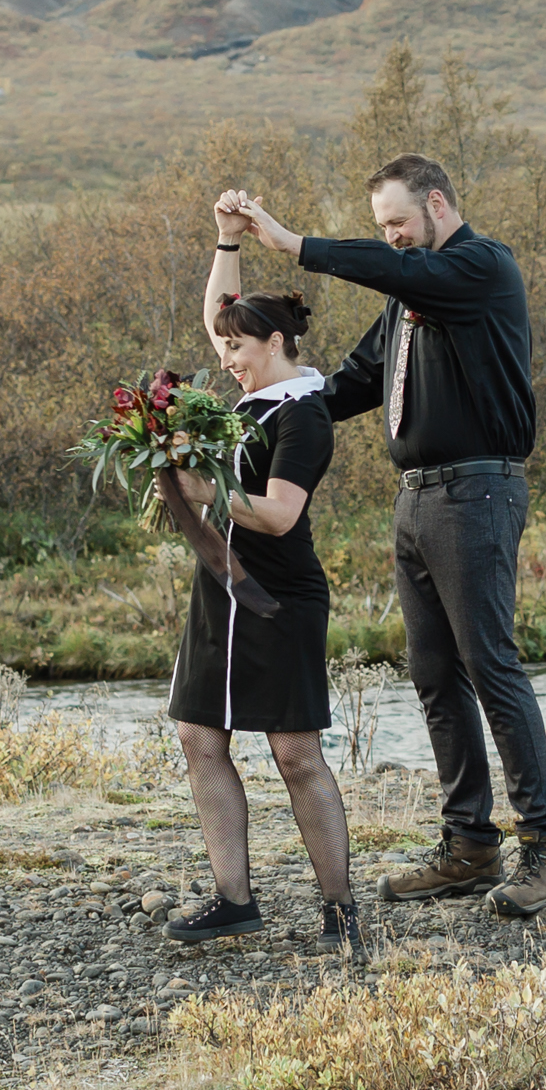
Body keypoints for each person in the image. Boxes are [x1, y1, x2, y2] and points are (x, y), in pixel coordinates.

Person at [226, 154, 546, 918]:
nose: (391, 240)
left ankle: (544, 845)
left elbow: (399, 274)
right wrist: (267, 381)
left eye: (397, 225)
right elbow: (348, 385)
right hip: (417, 500)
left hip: (478, 490)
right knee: (433, 674)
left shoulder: (481, 268)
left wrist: (294, 244)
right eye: (382, 228)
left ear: (438, 204)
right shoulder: (406, 301)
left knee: (490, 666)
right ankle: (469, 846)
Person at [161, 190, 364, 960]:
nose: (226, 360)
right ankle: (234, 900)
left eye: (239, 350)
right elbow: (223, 313)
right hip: (222, 592)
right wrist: (225, 240)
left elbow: (279, 514)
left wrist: (206, 492)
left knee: (293, 753)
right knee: (199, 735)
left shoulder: (302, 413)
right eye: (224, 350)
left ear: (275, 343)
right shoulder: (247, 399)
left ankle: (341, 912)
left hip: (277, 597)